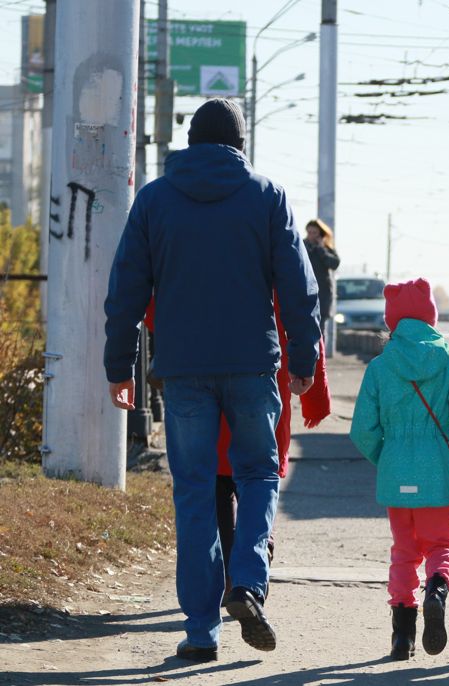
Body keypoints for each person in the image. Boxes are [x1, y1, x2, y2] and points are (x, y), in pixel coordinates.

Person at [104, 98, 321, 663]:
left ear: (191, 143)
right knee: (257, 475)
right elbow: (298, 285)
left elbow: (126, 290)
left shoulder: (153, 199)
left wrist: (118, 368)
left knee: (195, 491)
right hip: (253, 365)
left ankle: (201, 631)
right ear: (240, 145)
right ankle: (247, 583)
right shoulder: (267, 196)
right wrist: (303, 359)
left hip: (183, 372)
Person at [349, 278, 449, 661]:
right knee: (442, 544)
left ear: (391, 320)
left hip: (396, 478)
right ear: (430, 315)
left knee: (403, 552)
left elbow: (362, 430)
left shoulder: (380, 366)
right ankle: (437, 590)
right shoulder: (448, 360)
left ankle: (402, 638)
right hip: (437, 475)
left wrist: (388, 461)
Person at [214, 300, 331, 601]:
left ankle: (230, 575)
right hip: (269, 396)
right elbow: (308, 329)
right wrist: (316, 400)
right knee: (260, 484)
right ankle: (259, 555)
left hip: (216, 393)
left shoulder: (219, 265)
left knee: (222, 485)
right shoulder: (280, 272)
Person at [303, 219, 340, 334]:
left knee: (320, 329)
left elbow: (334, 264)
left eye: (314, 232)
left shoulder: (326, 248)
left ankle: (320, 351)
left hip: (322, 294)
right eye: (309, 232)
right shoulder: (302, 246)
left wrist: (321, 249)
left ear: (321, 234)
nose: (311, 236)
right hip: (305, 292)